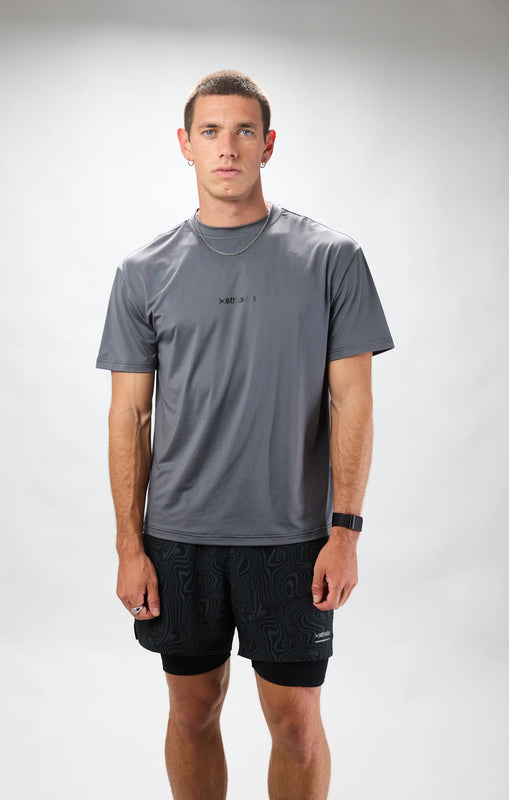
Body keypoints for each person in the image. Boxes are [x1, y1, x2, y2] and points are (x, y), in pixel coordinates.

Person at [95, 69, 394, 800]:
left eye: (242, 131)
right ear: (185, 144)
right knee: (191, 713)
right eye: (210, 131)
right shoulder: (142, 272)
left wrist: (346, 532)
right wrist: (129, 545)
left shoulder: (330, 259)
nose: (226, 147)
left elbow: (353, 401)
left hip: (292, 539)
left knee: (296, 724)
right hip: (179, 539)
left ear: (267, 143)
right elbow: (130, 416)